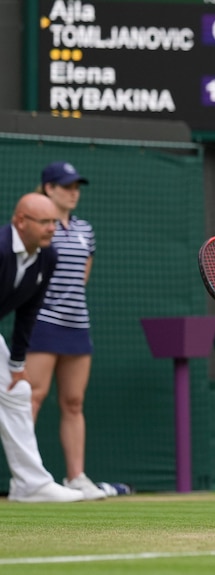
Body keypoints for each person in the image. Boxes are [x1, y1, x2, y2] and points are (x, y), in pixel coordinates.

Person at [26, 161, 104, 501]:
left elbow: (82, 278)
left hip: (77, 325)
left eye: (76, 186)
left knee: (73, 402)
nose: (74, 192)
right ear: (48, 189)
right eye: (66, 186)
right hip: (42, 321)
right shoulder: (36, 228)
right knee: (32, 397)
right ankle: (26, 476)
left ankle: (76, 477)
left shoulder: (85, 230)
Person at [1, 193, 84, 502]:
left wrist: (17, 364)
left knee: (17, 391)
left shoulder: (48, 257)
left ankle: (30, 485)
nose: (53, 228)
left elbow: (28, 312)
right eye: (45, 222)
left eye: (54, 222)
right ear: (20, 221)